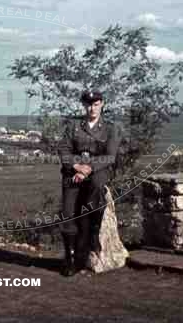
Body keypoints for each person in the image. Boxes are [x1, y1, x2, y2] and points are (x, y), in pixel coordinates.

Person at [57, 90, 121, 276]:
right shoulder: (74, 125)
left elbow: (109, 156)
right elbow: (63, 149)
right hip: (73, 172)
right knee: (68, 214)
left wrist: (88, 169)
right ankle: (70, 259)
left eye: (96, 103)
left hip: (96, 172)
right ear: (84, 105)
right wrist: (76, 166)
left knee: (96, 189)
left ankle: (94, 233)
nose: (92, 108)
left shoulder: (111, 128)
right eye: (88, 104)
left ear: (102, 104)